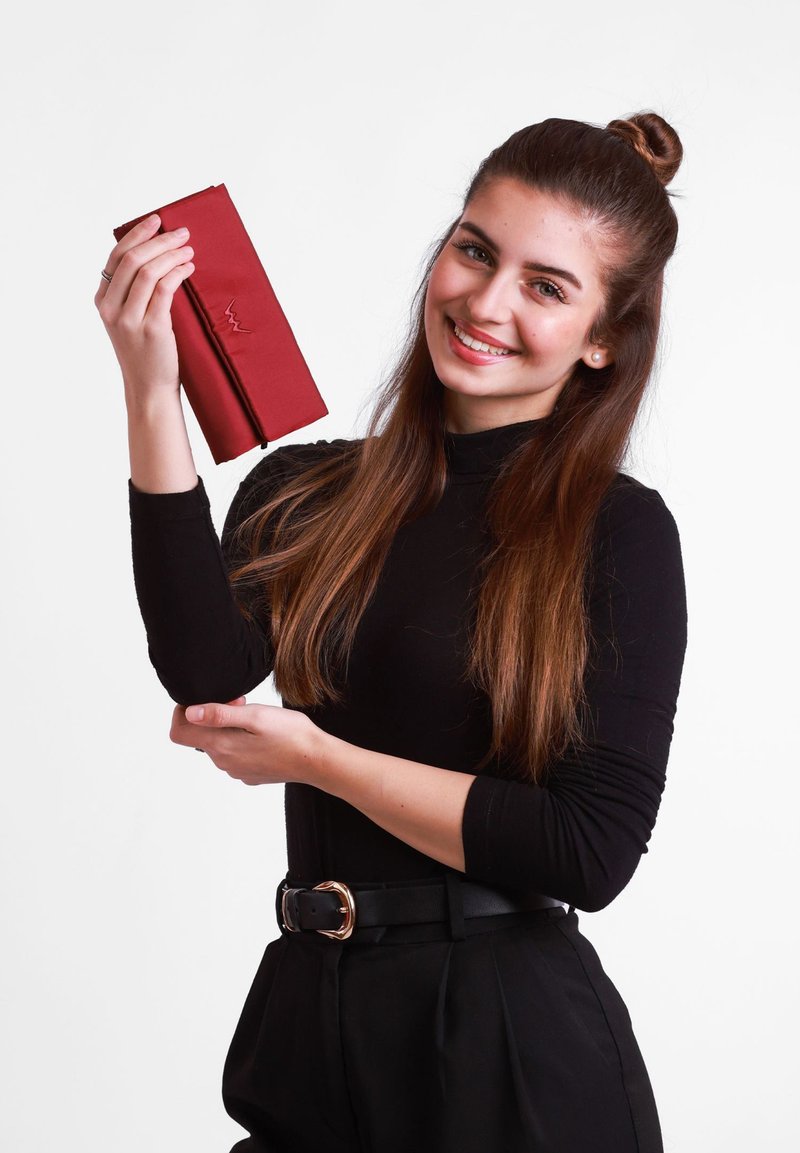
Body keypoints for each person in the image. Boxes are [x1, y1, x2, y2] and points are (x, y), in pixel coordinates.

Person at [95, 111, 688, 1153]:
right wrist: (152, 389)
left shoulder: (616, 530)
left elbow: (586, 851)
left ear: (600, 338)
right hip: (310, 1021)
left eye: (544, 287)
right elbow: (203, 670)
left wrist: (321, 761)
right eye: (473, 250)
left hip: (509, 1055)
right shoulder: (308, 488)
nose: (484, 301)